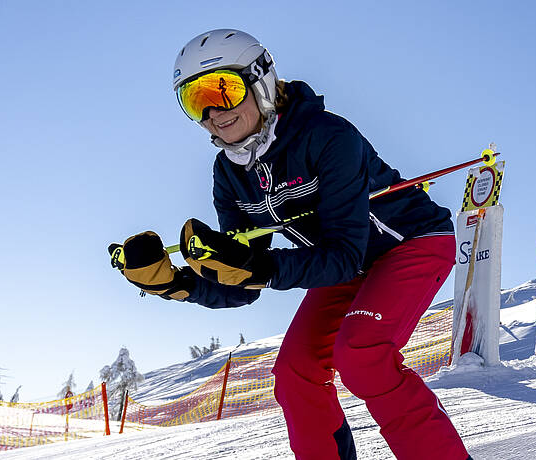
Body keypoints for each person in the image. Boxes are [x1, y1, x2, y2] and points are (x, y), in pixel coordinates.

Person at [111, 29, 468, 460]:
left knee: (362, 354)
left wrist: (259, 267)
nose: (211, 112)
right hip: (339, 265)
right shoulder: (228, 173)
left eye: (222, 90)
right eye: (193, 100)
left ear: (260, 80)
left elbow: (338, 255)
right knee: (295, 372)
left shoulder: (329, 136)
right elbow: (241, 282)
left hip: (409, 243)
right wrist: (177, 283)